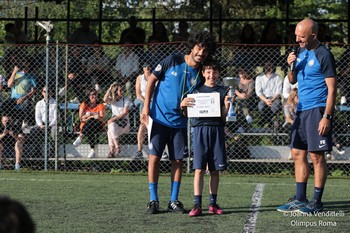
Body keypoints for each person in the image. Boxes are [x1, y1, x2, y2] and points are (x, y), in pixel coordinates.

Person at [142, 30, 217, 214]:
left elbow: (197, 101)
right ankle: (153, 200)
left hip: (180, 123)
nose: (201, 53)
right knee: (154, 158)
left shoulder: (202, 74)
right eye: (199, 48)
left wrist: (184, 107)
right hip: (158, 118)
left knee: (178, 160)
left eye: (205, 51)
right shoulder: (173, 59)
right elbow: (152, 79)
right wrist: (146, 107)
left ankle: (173, 200)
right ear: (192, 46)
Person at [277, 18, 337, 213]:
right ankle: (300, 198)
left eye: (301, 36)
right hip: (301, 109)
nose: (297, 39)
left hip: (317, 109)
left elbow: (332, 89)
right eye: (296, 35)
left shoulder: (324, 54)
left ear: (313, 35)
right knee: (297, 153)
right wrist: (290, 65)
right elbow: (292, 80)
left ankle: (316, 201)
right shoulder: (300, 51)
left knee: (316, 156)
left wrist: (326, 116)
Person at [186, 59, 230, 217]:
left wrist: (227, 107)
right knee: (198, 169)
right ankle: (197, 204)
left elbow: (224, 118)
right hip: (199, 130)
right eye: (208, 72)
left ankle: (213, 203)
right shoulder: (195, 89)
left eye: (215, 72)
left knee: (215, 170)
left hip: (217, 130)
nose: (212, 75)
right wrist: (183, 104)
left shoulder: (223, 91)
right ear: (203, 73)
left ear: (219, 74)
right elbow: (186, 112)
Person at [73, 89, 106, 158]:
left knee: (91, 122)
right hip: (86, 125)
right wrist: (91, 116)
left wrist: (92, 117)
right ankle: (92, 150)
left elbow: (102, 118)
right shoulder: (84, 104)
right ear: (88, 96)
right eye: (92, 94)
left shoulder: (100, 105)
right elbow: (81, 118)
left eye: (96, 94)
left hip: (98, 125)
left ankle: (80, 137)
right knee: (90, 124)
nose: (94, 96)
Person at [103, 83, 132, 158]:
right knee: (110, 129)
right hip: (115, 125)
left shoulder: (126, 99)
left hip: (124, 124)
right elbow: (104, 99)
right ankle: (116, 148)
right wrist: (110, 89)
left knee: (110, 127)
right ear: (116, 91)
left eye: (123, 90)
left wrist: (113, 119)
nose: (122, 91)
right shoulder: (113, 100)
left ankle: (112, 150)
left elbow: (125, 113)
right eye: (120, 90)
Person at [6, 63, 36, 129]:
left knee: (27, 103)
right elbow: (9, 85)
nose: (24, 66)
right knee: (8, 106)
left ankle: (25, 124)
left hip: (24, 100)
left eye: (26, 65)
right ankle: (12, 129)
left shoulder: (31, 76)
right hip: (14, 100)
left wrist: (23, 98)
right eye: (23, 65)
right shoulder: (15, 74)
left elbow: (33, 91)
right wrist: (14, 71)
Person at [30, 86, 58, 157]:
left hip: (52, 124)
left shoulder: (55, 103)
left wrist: (49, 125)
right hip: (42, 124)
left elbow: (56, 117)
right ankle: (36, 150)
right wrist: (41, 125)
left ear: (51, 93)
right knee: (34, 130)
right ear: (42, 93)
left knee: (54, 130)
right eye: (45, 92)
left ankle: (52, 150)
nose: (46, 93)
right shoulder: (39, 103)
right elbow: (37, 117)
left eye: (48, 92)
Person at [255, 61, 282, 129]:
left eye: (270, 66)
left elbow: (278, 92)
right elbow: (258, 92)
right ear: (264, 67)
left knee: (276, 105)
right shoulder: (259, 77)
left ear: (273, 67)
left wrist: (272, 99)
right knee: (261, 105)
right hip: (263, 98)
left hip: (274, 98)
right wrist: (266, 100)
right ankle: (270, 120)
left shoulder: (277, 77)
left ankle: (265, 120)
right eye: (266, 66)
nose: (268, 68)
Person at [133, 64, 151, 159]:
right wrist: (145, 101)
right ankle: (139, 151)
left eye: (148, 67)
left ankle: (159, 150)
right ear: (143, 68)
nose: (147, 68)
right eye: (145, 67)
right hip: (142, 101)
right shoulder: (139, 78)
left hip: (153, 101)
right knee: (142, 125)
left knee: (152, 125)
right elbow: (138, 93)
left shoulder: (154, 77)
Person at [282, 88, 298, 160]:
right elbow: (288, 119)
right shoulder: (287, 105)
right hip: (289, 123)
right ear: (293, 96)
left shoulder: (301, 105)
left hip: (299, 123)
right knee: (293, 129)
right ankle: (291, 151)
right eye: (297, 96)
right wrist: (292, 112)